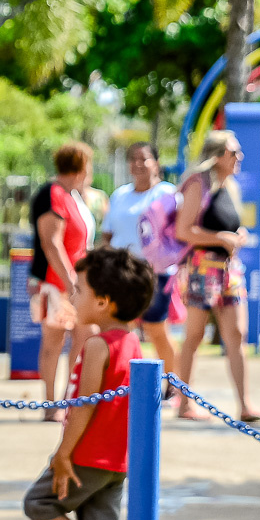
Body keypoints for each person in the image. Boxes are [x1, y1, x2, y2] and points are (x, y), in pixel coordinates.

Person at [21, 246, 153, 520]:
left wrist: (63, 454)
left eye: (78, 290)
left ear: (103, 301)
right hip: (116, 462)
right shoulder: (132, 344)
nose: (73, 296)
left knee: (38, 503)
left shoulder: (98, 345)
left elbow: (84, 408)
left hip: (87, 456)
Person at [173, 130, 260, 423]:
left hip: (229, 270)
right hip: (201, 268)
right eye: (234, 152)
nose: (239, 158)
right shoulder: (199, 184)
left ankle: (245, 404)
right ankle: (183, 403)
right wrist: (220, 238)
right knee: (194, 336)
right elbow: (184, 231)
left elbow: (225, 226)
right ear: (218, 155)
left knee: (237, 334)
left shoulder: (229, 186)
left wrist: (235, 237)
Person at [29, 142, 97, 422]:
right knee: (53, 342)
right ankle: (50, 403)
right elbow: (51, 242)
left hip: (75, 284)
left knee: (83, 337)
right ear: (81, 166)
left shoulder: (73, 196)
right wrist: (71, 284)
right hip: (56, 283)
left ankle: (72, 400)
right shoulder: (53, 193)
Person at [100, 142, 179, 379]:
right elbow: (108, 234)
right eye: (133, 158)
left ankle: (173, 384)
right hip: (122, 273)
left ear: (156, 163)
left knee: (156, 330)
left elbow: (178, 234)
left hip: (154, 273)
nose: (138, 164)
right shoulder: (120, 195)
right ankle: (120, 382)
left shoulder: (168, 194)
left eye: (144, 158)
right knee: (119, 329)